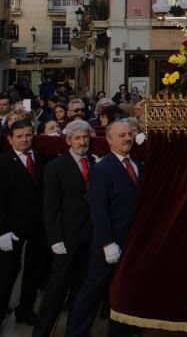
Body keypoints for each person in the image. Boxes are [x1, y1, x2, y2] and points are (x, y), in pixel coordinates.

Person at [65, 119, 141, 337]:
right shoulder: (102, 169)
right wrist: (107, 243)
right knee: (91, 292)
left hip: (130, 243)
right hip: (108, 247)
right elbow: (98, 210)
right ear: (108, 140)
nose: (127, 138)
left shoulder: (137, 165)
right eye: (121, 135)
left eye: (129, 134)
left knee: (122, 293)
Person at [34, 121, 96, 337]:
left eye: (86, 137)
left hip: (89, 238)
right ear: (68, 140)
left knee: (81, 290)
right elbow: (50, 207)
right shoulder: (56, 167)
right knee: (56, 291)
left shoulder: (93, 162)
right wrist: (55, 239)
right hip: (66, 239)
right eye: (78, 138)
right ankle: (41, 332)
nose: (83, 142)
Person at [0, 120, 49, 326]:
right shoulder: (2, 162)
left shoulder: (43, 159)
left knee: (34, 269)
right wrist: (2, 231)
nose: (24, 139)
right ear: (10, 139)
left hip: (39, 226)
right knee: (7, 271)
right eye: (19, 136)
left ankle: (25, 310)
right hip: (12, 228)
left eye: (28, 135)